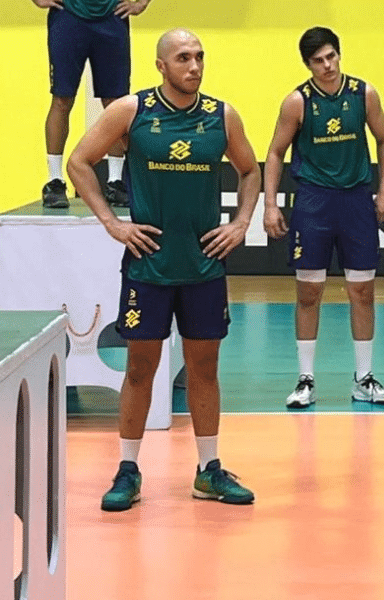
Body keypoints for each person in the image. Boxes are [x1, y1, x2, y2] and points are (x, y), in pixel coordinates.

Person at [67, 28, 261, 511]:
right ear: (161, 65)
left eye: (199, 57)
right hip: (147, 267)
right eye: (182, 58)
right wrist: (112, 222)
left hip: (203, 266)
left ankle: (209, 471)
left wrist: (240, 223)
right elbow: (79, 162)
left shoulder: (222, 115)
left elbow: (251, 170)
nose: (193, 66)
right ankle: (128, 470)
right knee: (140, 369)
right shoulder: (132, 111)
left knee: (204, 369)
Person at [262, 26, 384, 409]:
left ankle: (364, 379)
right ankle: (306, 380)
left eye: (332, 56)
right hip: (314, 202)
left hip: (356, 201)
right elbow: (275, 153)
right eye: (319, 60)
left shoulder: (363, 94)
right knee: (309, 292)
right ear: (308, 65)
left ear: (339, 55)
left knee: (363, 291)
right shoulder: (297, 102)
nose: (328, 66)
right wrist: (271, 205)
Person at [34, 0, 151, 208]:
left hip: (112, 16)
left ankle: (115, 182)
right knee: (62, 99)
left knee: (116, 103)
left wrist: (141, 3)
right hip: (68, 16)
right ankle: (55, 181)